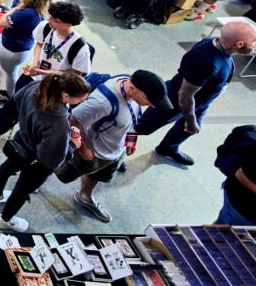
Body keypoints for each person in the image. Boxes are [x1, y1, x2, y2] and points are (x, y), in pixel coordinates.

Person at [136, 22, 256, 167]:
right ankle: (116, 151)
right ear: (239, 44)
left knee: (186, 131)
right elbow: (185, 96)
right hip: (174, 102)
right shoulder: (207, 63)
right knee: (139, 128)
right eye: (255, 42)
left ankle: (167, 148)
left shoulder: (214, 43)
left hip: (199, 102)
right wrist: (190, 120)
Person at [56, 70, 172, 223]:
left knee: (98, 175)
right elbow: (74, 120)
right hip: (94, 150)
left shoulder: (129, 84)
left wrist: (130, 141)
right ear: (133, 89)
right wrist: (84, 149)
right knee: (62, 172)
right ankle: (34, 178)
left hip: (115, 150)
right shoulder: (102, 102)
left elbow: (133, 118)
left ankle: (85, 197)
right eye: (149, 100)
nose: (152, 105)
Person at [0, 74, 92, 232]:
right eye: (80, 99)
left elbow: (16, 101)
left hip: (21, 140)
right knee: (22, 190)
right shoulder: (59, 124)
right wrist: (72, 145)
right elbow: (51, 160)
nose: (83, 102)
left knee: (6, 167)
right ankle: (5, 220)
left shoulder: (38, 87)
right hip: (36, 161)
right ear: (65, 96)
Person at [0, 0, 92, 141]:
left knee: (40, 115)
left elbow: (74, 75)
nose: (49, 20)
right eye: (51, 16)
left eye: (55, 19)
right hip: (34, 76)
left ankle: (30, 142)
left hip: (56, 87)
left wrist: (43, 72)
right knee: (15, 101)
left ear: (68, 24)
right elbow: (39, 44)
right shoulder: (47, 27)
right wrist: (35, 63)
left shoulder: (80, 47)